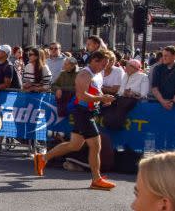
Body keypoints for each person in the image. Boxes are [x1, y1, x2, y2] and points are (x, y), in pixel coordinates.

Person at [36, 50, 116, 190]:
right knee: (96, 145)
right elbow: (82, 96)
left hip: (89, 112)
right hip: (82, 112)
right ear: (94, 60)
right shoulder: (84, 74)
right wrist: (102, 99)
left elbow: (96, 90)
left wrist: (103, 97)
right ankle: (96, 179)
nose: (104, 67)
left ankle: (42, 158)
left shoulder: (97, 73)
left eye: (106, 64)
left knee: (74, 145)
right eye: (103, 64)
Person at [150, 46, 175, 110]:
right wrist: (162, 101)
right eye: (163, 55)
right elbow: (154, 88)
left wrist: (173, 102)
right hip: (157, 104)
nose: (163, 58)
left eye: (166, 56)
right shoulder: (157, 68)